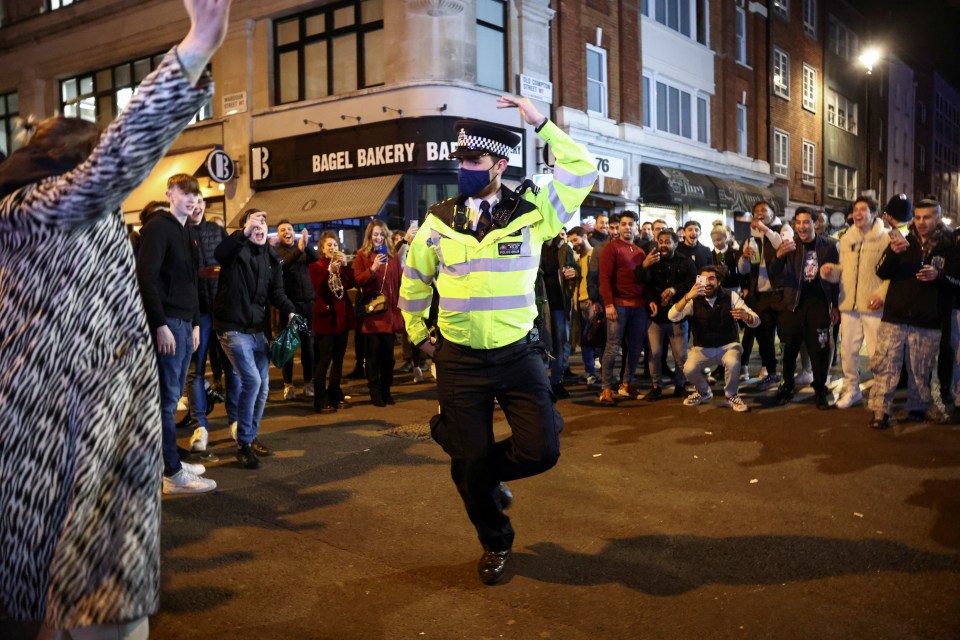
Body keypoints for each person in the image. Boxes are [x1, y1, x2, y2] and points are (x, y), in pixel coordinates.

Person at [0, 1, 230, 636]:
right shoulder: (30, 209)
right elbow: (112, 166)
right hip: (60, 437)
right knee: (83, 602)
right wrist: (194, 49)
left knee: (89, 604)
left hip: (103, 431)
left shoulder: (82, 215)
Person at [399, 96, 596, 585]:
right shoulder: (439, 219)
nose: (465, 169)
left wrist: (541, 124)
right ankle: (496, 541)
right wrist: (419, 333)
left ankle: (474, 461)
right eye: (461, 160)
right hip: (460, 360)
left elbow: (583, 168)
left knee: (540, 450)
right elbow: (414, 281)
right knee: (472, 465)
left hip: (517, 355)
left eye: (475, 161)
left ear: (499, 165)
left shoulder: (533, 210)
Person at [137, 173, 216, 493]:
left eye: (195, 194)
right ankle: (171, 473)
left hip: (185, 325)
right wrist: (160, 325)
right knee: (167, 401)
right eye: (185, 193)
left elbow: (193, 283)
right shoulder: (158, 227)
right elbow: (146, 279)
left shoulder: (187, 232)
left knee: (171, 398)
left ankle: (170, 461)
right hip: (169, 323)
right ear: (170, 194)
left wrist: (196, 324)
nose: (192, 199)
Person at [214, 208, 297, 468]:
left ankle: (250, 437)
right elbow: (220, 254)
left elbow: (277, 293)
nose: (260, 227)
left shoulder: (271, 258)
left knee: (262, 387)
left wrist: (291, 310)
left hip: (256, 331)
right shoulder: (235, 251)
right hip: (232, 328)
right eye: (254, 224)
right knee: (251, 380)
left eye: (263, 223)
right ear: (245, 229)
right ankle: (243, 444)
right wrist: (243, 232)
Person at [868, 197, 954, 428]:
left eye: (927, 217)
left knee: (921, 369)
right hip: (895, 315)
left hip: (928, 318)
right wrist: (893, 254)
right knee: (886, 365)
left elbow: (957, 281)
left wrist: (940, 277)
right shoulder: (902, 241)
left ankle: (918, 407)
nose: (921, 222)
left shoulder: (949, 245)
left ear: (938, 217)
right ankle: (880, 411)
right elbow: (881, 272)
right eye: (917, 217)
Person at [819, 196, 890, 409]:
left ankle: (880, 391)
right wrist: (831, 271)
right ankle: (851, 389)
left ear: (874, 214)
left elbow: (892, 274)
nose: (858, 214)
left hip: (873, 305)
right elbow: (845, 271)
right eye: (856, 209)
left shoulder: (885, 239)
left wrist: (882, 294)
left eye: (863, 210)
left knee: (879, 351)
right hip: (848, 304)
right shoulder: (846, 238)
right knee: (848, 350)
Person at [768, 207, 840, 409]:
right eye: (798, 222)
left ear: (816, 223)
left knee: (820, 348)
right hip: (792, 304)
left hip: (818, 304)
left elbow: (835, 278)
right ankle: (787, 385)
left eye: (806, 222)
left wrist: (835, 306)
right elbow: (774, 273)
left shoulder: (829, 246)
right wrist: (779, 256)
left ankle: (820, 389)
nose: (802, 226)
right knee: (789, 348)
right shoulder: (789, 246)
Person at [186, 195, 239, 453]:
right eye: (192, 203)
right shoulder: (181, 233)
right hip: (196, 313)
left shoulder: (217, 231)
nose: (196, 207)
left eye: (200, 202)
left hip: (221, 309)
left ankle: (236, 422)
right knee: (196, 371)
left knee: (232, 368)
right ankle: (200, 426)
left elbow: (233, 264)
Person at [669, 265, 759, 412]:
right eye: (704, 279)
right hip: (703, 348)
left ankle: (732, 396)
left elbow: (756, 320)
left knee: (732, 362)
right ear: (699, 281)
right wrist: (686, 297)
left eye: (712, 278)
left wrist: (747, 316)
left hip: (728, 346)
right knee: (688, 368)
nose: (708, 282)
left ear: (718, 281)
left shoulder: (730, 296)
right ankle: (704, 392)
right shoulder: (693, 300)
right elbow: (672, 316)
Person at [598, 211, 649, 404]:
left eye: (631, 224)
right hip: (618, 306)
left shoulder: (639, 251)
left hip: (638, 307)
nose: (627, 227)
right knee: (612, 347)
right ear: (618, 227)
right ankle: (606, 388)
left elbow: (642, 280)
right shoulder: (612, 248)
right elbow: (604, 278)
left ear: (636, 227)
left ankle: (627, 384)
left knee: (636, 348)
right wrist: (608, 304)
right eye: (624, 224)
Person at [640, 229, 696, 400]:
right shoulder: (652, 260)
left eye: (667, 242)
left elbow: (692, 284)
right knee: (655, 353)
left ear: (675, 243)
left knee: (681, 355)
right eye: (661, 241)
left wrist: (675, 289)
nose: (663, 245)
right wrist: (644, 266)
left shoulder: (686, 262)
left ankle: (680, 385)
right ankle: (656, 386)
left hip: (678, 315)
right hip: (656, 315)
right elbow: (643, 283)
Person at [738, 200, 788, 390]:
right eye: (756, 211)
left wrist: (765, 229)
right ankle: (772, 374)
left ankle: (787, 373)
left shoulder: (782, 229)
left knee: (785, 335)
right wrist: (744, 256)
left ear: (772, 214)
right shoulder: (750, 238)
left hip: (779, 293)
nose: (760, 213)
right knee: (764, 337)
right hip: (759, 296)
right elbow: (742, 270)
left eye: (764, 211)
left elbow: (782, 245)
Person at [353, 219, 403, 407]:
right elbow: (358, 280)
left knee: (388, 358)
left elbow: (398, 283)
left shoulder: (392, 256)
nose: (378, 237)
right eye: (375, 234)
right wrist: (373, 268)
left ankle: (386, 391)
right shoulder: (362, 256)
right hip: (372, 315)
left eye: (382, 234)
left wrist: (399, 312)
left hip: (389, 314)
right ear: (369, 236)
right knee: (372, 357)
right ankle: (375, 393)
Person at [310, 231, 356, 413]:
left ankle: (335, 392)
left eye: (335, 245)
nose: (332, 248)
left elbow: (351, 284)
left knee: (338, 359)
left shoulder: (341, 267)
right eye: (329, 245)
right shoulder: (316, 266)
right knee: (324, 359)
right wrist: (329, 271)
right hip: (325, 320)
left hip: (342, 319)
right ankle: (320, 398)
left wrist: (346, 267)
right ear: (322, 248)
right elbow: (319, 289)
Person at [273, 220, 319, 400]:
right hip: (289, 306)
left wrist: (306, 246)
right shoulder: (276, 253)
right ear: (278, 235)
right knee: (289, 347)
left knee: (308, 345)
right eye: (282, 230)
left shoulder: (303, 249)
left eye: (289, 229)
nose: (286, 232)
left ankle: (308, 383)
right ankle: (288, 385)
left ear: (294, 232)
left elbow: (316, 260)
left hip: (307, 303)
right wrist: (299, 250)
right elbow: (283, 266)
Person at [541, 231, 579, 398]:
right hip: (540, 304)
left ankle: (556, 381)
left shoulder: (564, 248)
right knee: (542, 344)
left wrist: (575, 272)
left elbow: (575, 268)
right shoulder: (536, 245)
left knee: (560, 343)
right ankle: (541, 384)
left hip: (559, 303)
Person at [567, 226, 601, 386]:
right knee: (585, 340)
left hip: (591, 302)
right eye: (571, 241)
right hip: (580, 303)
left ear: (585, 237)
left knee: (597, 339)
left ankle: (600, 374)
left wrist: (595, 300)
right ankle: (590, 373)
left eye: (575, 239)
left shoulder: (595, 254)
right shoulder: (578, 258)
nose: (573, 244)